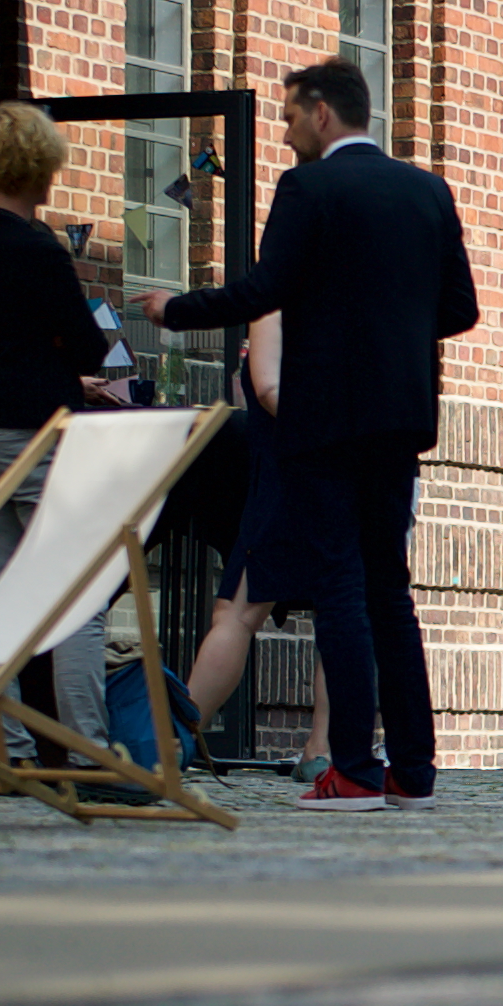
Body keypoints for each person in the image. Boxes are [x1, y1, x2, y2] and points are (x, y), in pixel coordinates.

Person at [139, 58, 478, 815]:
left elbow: (263, 292)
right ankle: (412, 772)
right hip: (398, 419)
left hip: (324, 419)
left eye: (292, 115)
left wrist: (174, 309)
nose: (286, 130)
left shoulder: (309, 189)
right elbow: (460, 308)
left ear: (324, 114)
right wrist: (392, 330)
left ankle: (352, 769)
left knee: (339, 589)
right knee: (391, 590)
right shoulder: (428, 191)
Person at [0, 101, 136, 799]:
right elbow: (87, 344)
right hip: (29, 435)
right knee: (79, 592)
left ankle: (11, 755)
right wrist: (66, 371)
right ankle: (85, 755)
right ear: (40, 169)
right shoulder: (39, 248)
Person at [183, 310, 306, 746]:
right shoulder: (359, 300)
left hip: (289, 475)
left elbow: (270, 389)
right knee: (343, 610)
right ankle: (326, 750)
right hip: (346, 474)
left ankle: (175, 739)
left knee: (235, 614)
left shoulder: (279, 307)